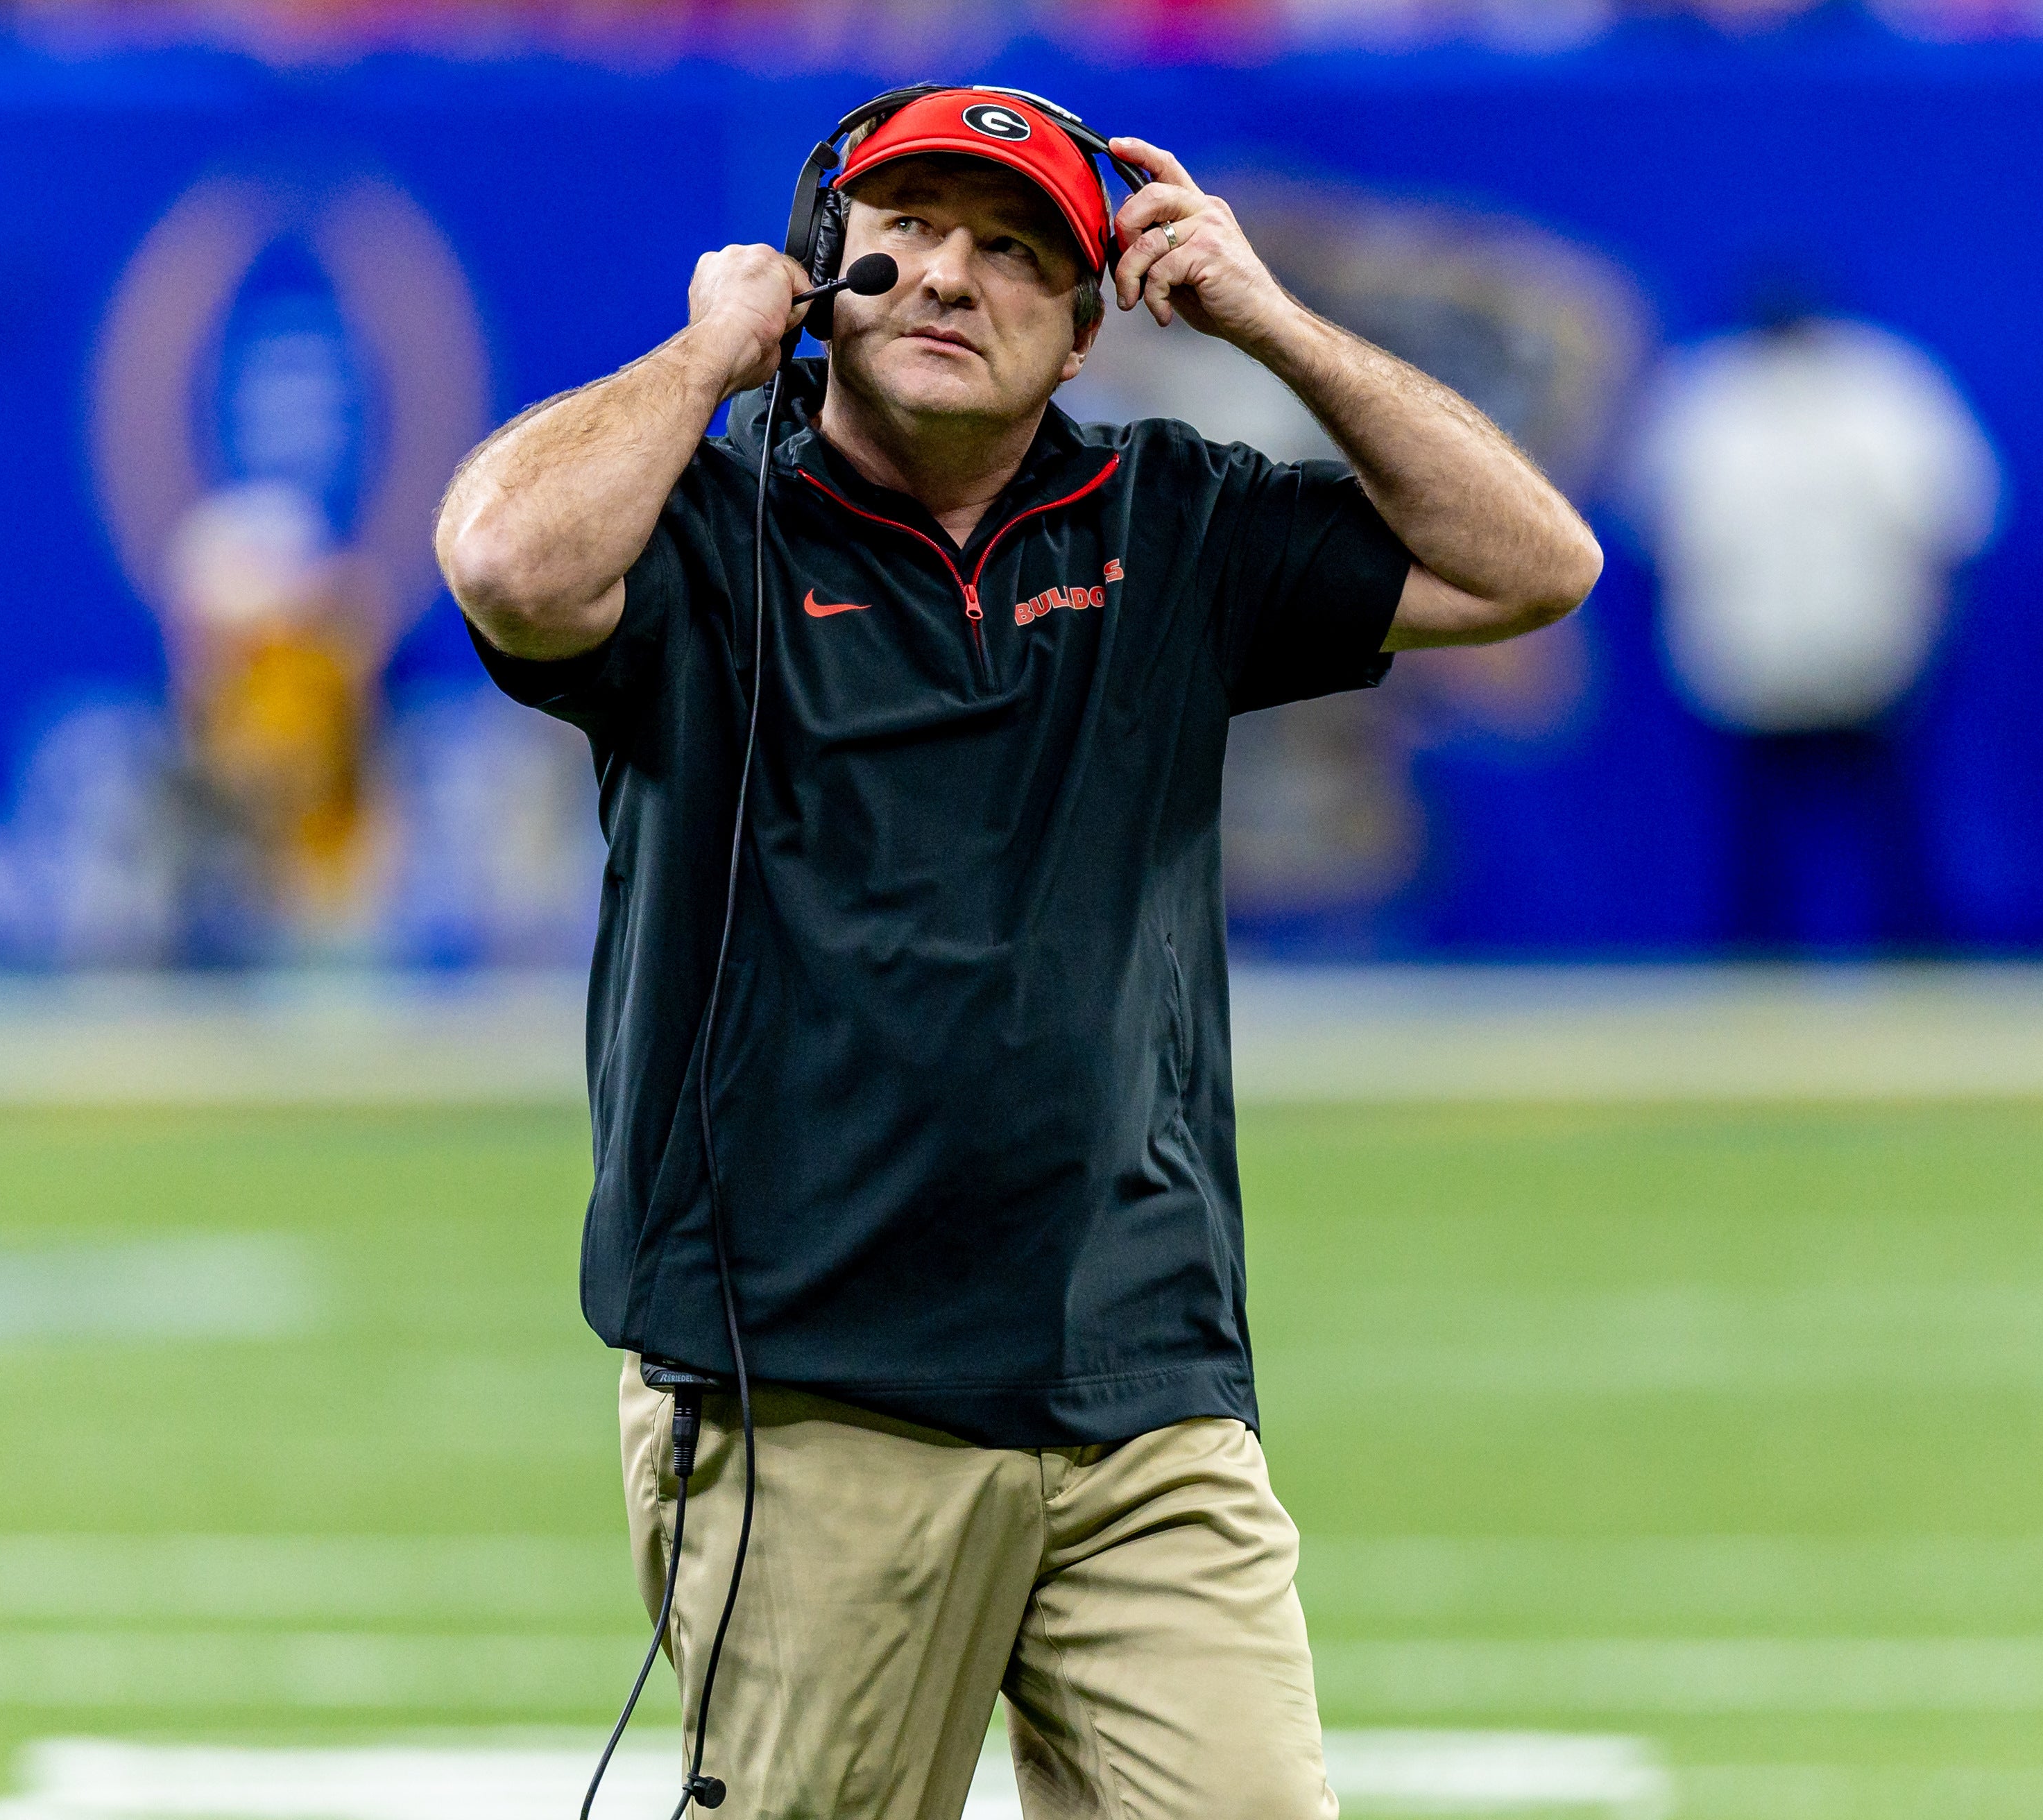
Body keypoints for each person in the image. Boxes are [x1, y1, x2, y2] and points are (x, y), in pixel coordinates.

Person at [435, 85, 1599, 1820]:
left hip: (1142, 1381)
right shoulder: (705, 527)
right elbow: (507, 560)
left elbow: (1530, 563)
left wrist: (1270, 322)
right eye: (902, 235)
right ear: (825, 270)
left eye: (1013, 252)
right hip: (816, 1391)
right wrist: (701, 360)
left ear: (1082, 329)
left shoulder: (1170, 519)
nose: (947, 278)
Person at [1629, 290, 2001, 951]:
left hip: (1869, 653)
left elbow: (1952, 518)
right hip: (1751, 657)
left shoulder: (1883, 385)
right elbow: (1658, 529)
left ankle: (1918, 957)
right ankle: (1755, 962)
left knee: (1891, 823)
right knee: (1756, 834)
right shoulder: (1707, 395)